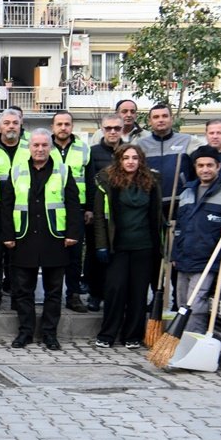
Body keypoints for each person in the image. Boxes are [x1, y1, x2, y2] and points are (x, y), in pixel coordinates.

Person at [1, 128, 82, 350]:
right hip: (23, 237)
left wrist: (73, 234)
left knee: (54, 291)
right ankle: (25, 332)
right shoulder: (16, 171)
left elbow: (74, 204)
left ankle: (49, 334)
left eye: (44, 145)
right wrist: (8, 235)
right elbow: (6, 205)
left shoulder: (63, 171)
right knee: (22, 291)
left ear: (50, 147)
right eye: (35, 145)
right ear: (29, 147)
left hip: (55, 238)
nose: (39, 149)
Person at [172, 145, 221, 334]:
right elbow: (179, 228)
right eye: (201, 165)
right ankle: (180, 342)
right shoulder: (187, 193)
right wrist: (175, 254)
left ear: (218, 166)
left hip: (208, 258)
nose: (205, 169)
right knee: (183, 302)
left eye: (209, 165)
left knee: (196, 303)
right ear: (195, 167)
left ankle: (193, 344)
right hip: (184, 259)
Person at [92, 144, 163, 349]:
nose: (130, 161)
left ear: (140, 160)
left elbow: (157, 213)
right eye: (126, 158)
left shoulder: (152, 182)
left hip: (144, 245)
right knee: (115, 290)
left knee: (138, 292)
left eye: (134, 158)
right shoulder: (106, 181)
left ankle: (132, 335)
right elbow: (99, 216)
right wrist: (101, 245)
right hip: (118, 246)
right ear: (119, 160)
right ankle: (107, 335)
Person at [0, 109, 29, 312]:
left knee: (18, 255)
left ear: (21, 126)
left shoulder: (29, 148)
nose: (11, 126)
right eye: (7, 123)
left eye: (15, 123)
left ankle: (16, 294)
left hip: (21, 210)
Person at [50, 110, 92, 313]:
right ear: (53, 127)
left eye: (67, 124)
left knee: (75, 255)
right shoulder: (44, 147)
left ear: (72, 127)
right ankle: (53, 296)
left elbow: (91, 181)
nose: (63, 127)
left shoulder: (84, 149)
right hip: (50, 209)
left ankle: (73, 295)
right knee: (52, 254)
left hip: (77, 209)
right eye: (59, 124)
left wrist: (90, 208)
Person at [135, 104, 205, 218]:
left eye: (165, 116)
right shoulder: (140, 145)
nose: (161, 120)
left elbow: (212, 153)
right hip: (150, 203)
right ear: (150, 121)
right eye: (156, 117)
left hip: (181, 203)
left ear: (171, 119)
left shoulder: (187, 140)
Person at [85, 113, 125, 312]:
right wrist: (90, 209)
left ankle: (115, 295)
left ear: (122, 129)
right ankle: (95, 294)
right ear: (102, 129)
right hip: (99, 215)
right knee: (96, 255)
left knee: (118, 258)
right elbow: (89, 182)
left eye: (116, 128)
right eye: (108, 128)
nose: (112, 132)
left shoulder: (129, 152)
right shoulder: (92, 152)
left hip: (123, 216)